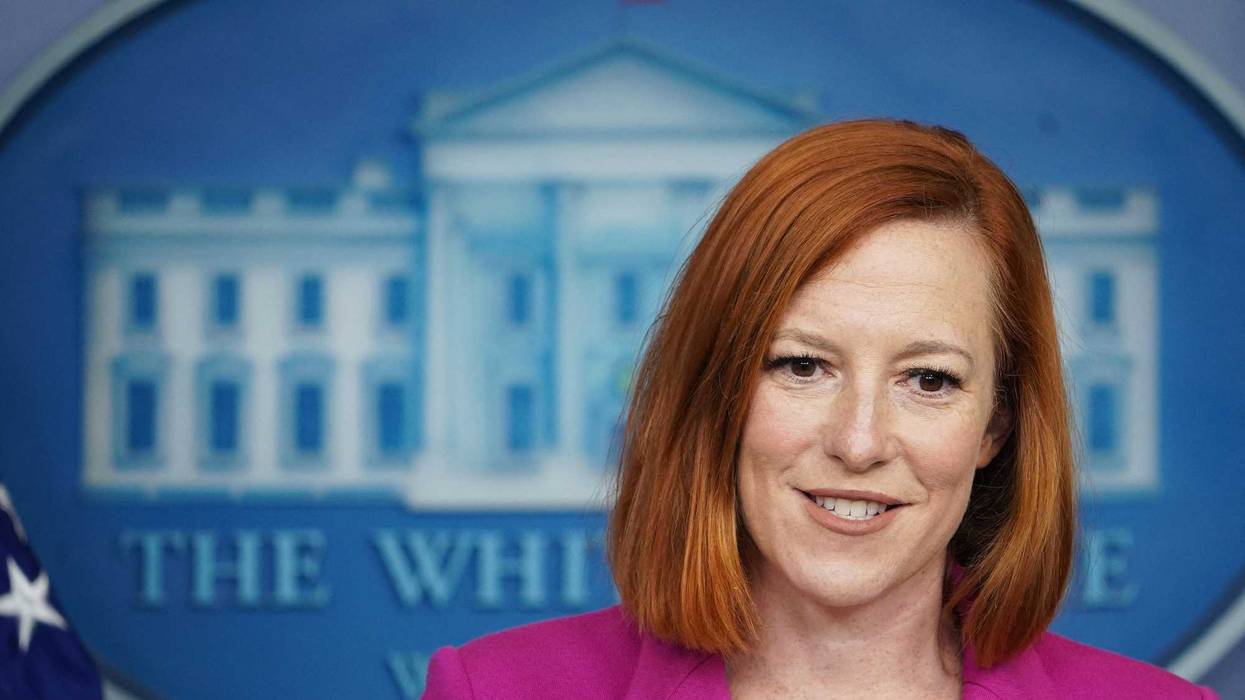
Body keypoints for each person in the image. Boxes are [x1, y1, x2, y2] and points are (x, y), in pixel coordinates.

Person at [421, 120, 1217, 699]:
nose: (859, 442)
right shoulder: (494, 689)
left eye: (928, 379)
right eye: (802, 366)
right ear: (719, 393)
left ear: (995, 426)